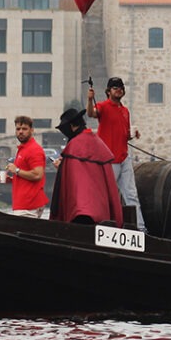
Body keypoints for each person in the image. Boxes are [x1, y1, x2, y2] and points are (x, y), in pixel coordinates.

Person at [88, 76, 146, 231]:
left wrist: (133, 134)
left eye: (120, 87)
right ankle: (104, 226)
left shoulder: (125, 111)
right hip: (109, 160)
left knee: (131, 195)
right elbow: (91, 114)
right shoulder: (103, 106)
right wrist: (89, 100)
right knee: (107, 196)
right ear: (108, 91)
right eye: (115, 87)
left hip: (124, 158)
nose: (118, 90)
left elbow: (125, 134)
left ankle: (140, 229)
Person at [49, 105, 123, 226]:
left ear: (72, 127)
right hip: (102, 214)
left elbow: (73, 180)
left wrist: (62, 167)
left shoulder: (73, 146)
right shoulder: (98, 142)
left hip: (78, 214)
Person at [3, 114, 48, 218]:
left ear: (32, 130)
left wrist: (16, 170)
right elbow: (27, 174)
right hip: (24, 204)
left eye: (24, 129)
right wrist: (12, 179)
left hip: (28, 205)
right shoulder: (23, 148)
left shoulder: (34, 150)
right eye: (18, 129)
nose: (21, 132)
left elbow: (37, 175)